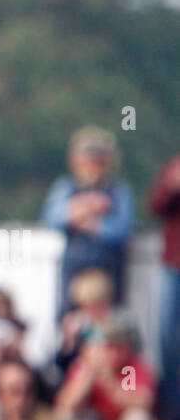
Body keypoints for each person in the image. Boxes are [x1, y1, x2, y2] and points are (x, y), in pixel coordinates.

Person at [41, 126, 134, 317]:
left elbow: (124, 229)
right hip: (75, 265)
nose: (93, 165)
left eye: (98, 160)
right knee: (69, 317)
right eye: (88, 159)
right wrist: (86, 206)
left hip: (108, 265)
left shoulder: (119, 190)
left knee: (110, 319)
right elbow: (51, 219)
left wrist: (94, 226)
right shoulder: (66, 187)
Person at [147, 152, 180, 420]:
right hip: (175, 265)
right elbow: (155, 207)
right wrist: (172, 184)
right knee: (168, 342)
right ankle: (172, 417)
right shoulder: (175, 166)